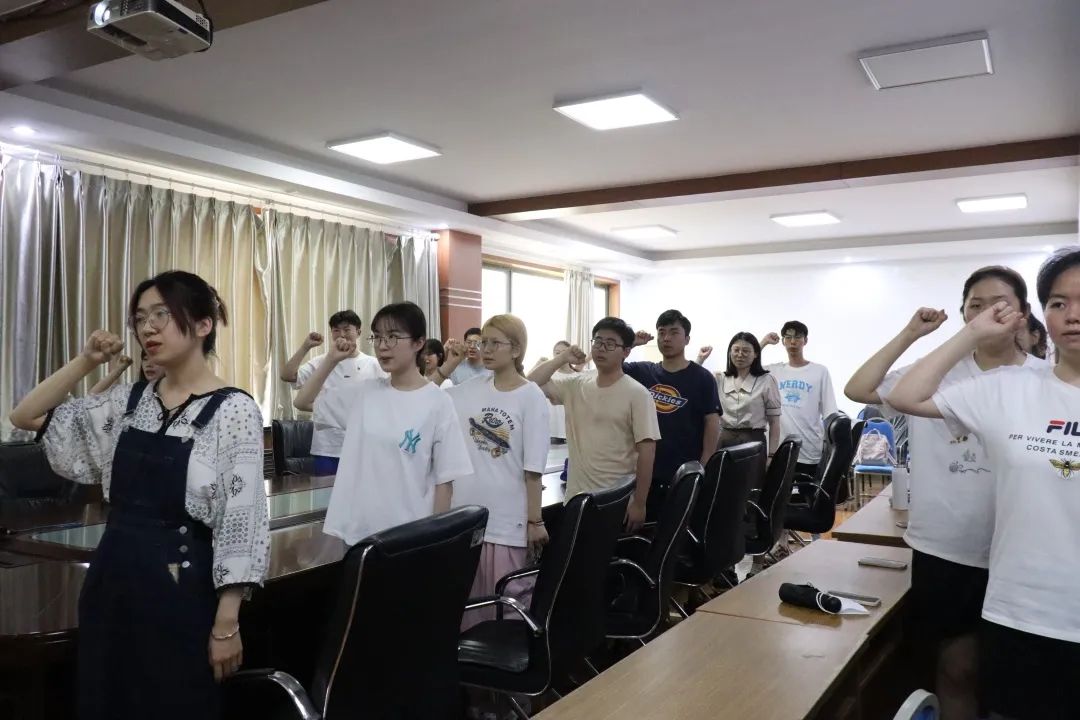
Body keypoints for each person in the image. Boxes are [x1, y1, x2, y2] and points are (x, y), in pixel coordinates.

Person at [9, 270, 269, 720]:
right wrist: (86, 360)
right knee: (104, 699)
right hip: (112, 581)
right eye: (140, 318)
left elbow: (242, 521)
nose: (147, 328)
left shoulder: (234, 410)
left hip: (181, 587)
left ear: (203, 324)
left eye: (161, 315)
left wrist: (227, 623)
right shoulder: (128, 403)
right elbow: (25, 415)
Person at [886, 248, 1080, 720]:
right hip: (1021, 610)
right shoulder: (1008, 388)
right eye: (1059, 303)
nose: (1073, 315)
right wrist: (971, 332)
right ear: (1043, 315)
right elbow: (905, 395)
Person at [845, 265, 1044, 720]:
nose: (988, 313)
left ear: (1023, 313)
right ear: (964, 315)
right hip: (945, 548)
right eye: (976, 305)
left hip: (1019, 553)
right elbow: (858, 388)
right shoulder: (935, 374)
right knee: (956, 669)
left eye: (1001, 304)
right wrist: (911, 334)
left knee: (1012, 682)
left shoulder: (1044, 378)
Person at [294, 301, 472, 544]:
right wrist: (332, 359)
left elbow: (445, 481)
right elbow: (303, 401)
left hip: (410, 535)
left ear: (418, 342)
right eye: (377, 337)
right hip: (360, 532)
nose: (382, 346)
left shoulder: (438, 402)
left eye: (393, 337)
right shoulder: (365, 393)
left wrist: (435, 541)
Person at [447, 314, 550, 630]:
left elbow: (533, 468)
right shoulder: (469, 389)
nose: (486, 349)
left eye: (495, 343)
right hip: (467, 517)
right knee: (466, 609)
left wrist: (535, 521)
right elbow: (425, 394)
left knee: (506, 608)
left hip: (507, 522)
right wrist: (449, 364)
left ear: (516, 350)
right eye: (483, 343)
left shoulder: (531, 396)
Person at [528, 317, 660, 532]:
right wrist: (562, 357)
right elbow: (530, 384)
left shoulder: (638, 394)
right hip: (575, 498)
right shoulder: (576, 383)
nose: (601, 348)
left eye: (610, 344)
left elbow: (647, 450)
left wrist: (639, 502)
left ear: (626, 352)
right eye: (598, 341)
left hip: (615, 500)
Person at [626, 309, 721, 518]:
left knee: (677, 530)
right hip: (645, 474)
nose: (666, 338)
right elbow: (609, 366)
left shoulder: (702, 377)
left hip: (684, 474)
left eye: (673, 332)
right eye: (661, 332)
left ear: (687, 339)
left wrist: (704, 467)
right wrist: (631, 343)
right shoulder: (644, 372)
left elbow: (712, 423)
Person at [280, 310, 385, 475]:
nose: (341, 335)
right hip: (327, 448)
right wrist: (306, 346)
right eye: (336, 330)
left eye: (347, 329)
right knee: (325, 491)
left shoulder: (374, 364)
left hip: (364, 446)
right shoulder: (322, 362)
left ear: (358, 332)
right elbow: (287, 375)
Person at [758, 321, 838, 478]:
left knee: (805, 491)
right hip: (777, 449)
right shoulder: (774, 370)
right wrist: (764, 342)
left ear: (805, 340)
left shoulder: (819, 371)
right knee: (775, 492)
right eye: (788, 337)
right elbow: (749, 364)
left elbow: (830, 412)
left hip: (808, 449)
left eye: (797, 337)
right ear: (783, 341)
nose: (792, 342)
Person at [706, 332, 781, 461]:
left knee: (751, 475)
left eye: (746, 351)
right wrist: (700, 359)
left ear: (756, 354)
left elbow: (774, 422)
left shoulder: (767, 380)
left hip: (753, 443)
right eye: (736, 350)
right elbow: (693, 382)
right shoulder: (719, 378)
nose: (740, 355)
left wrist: (771, 455)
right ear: (730, 352)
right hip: (723, 441)